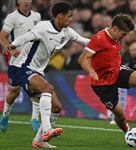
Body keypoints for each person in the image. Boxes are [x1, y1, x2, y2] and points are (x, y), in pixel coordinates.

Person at [4, 1, 90, 148]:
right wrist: (13, 45)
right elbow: (25, 37)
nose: (71, 20)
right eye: (69, 16)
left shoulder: (66, 31)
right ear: (60, 16)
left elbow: (85, 41)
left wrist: (104, 44)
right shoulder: (43, 27)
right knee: (47, 89)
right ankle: (47, 129)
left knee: (56, 107)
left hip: (37, 71)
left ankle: (39, 140)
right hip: (22, 67)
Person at [0, 0, 41, 132]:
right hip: (16, 62)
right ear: (18, 2)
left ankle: (35, 119)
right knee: (14, 92)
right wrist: (9, 48)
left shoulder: (37, 16)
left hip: (33, 61)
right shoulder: (12, 17)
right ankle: (5, 115)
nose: (26, 1)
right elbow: (3, 36)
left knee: (38, 90)